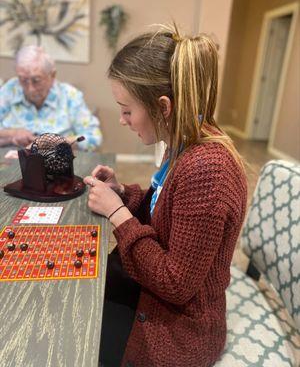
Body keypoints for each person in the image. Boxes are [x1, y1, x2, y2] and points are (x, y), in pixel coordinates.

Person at [84, 26, 247, 367]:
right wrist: (123, 194)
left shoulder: (207, 169)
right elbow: (167, 208)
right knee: (83, 296)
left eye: (127, 110)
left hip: (180, 333)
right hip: (155, 295)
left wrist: (119, 216)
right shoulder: (181, 141)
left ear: (163, 107)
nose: (123, 120)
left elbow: (175, 284)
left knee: (77, 341)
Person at [0, 45, 102, 150]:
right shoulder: (9, 90)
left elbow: (93, 138)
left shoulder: (70, 96)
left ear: (52, 75)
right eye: (23, 80)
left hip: (56, 161)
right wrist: (12, 135)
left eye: (36, 80)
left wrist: (56, 142)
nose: (30, 89)